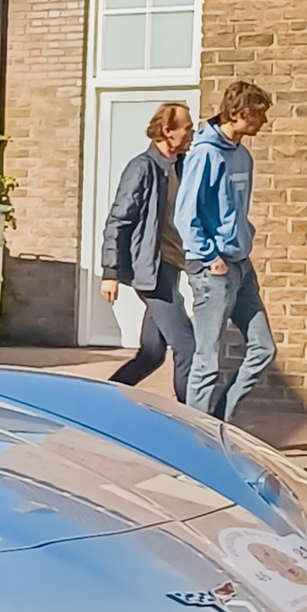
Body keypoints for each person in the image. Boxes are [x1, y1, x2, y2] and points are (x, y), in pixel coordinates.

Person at [178, 80, 276, 421]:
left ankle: (219, 424)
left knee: (263, 348)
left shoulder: (243, 156)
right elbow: (185, 215)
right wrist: (210, 257)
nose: (263, 122)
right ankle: (194, 440)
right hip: (212, 270)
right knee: (207, 361)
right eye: (258, 115)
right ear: (236, 114)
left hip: (241, 265)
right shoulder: (205, 154)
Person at [99, 102, 195, 398]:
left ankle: (105, 400)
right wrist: (111, 272)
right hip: (151, 272)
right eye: (187, 128)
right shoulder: (142, 168)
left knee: (152, 354)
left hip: (169, 268)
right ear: (168, 131)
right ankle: (192, 422)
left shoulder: (180, 166)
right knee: (187, 348)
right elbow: (118, 220)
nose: (192, 133)